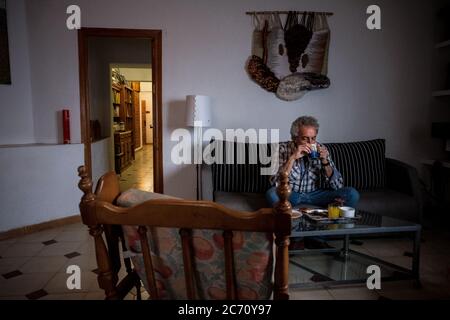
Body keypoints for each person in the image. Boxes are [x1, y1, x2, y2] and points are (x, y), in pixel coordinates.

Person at [266, 115, 359, 209]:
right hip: (292, 194)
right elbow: (275, 183)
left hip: (316, 195)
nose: (310, 142)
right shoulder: (281, 148)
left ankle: (335, 222)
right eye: (305, 138)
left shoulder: (321, 148)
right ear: (295, 138)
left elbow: (338, 185)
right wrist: (293, 157)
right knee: (271, 194)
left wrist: (325, 161)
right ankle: (286, 221)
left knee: (352, 194)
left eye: (313, 138)